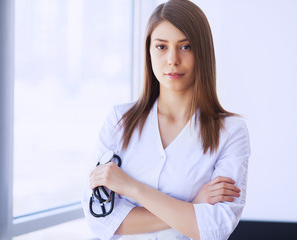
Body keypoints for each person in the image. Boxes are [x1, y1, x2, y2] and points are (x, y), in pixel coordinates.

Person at [81, 0, 250, 239]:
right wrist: (193, 205)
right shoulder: (119, 120)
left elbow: (215, 229)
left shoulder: (230, 132)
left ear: (202, 52)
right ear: (149, 50)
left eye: (186, 46)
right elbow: (100, 220)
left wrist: (131, 187)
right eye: (161, 47)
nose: (172, 59)